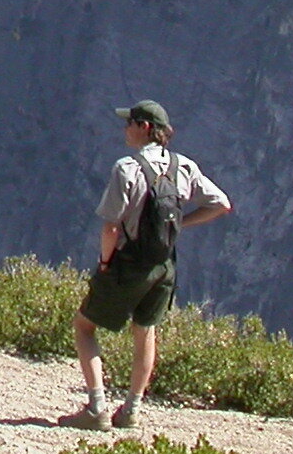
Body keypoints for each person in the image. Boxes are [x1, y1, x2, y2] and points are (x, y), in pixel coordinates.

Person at [62, 99, 232, 430]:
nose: (125, 129)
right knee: (145, 331)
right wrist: (182, 223)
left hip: (128, 263)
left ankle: (96, 408)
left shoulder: (127, 168)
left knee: (84, 326)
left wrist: (105, 262)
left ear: (144, 128)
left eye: (130, 123)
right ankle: (131, 411)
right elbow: (221, 204)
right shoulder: (184, 167)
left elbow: (111, 226)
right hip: (164, 265)